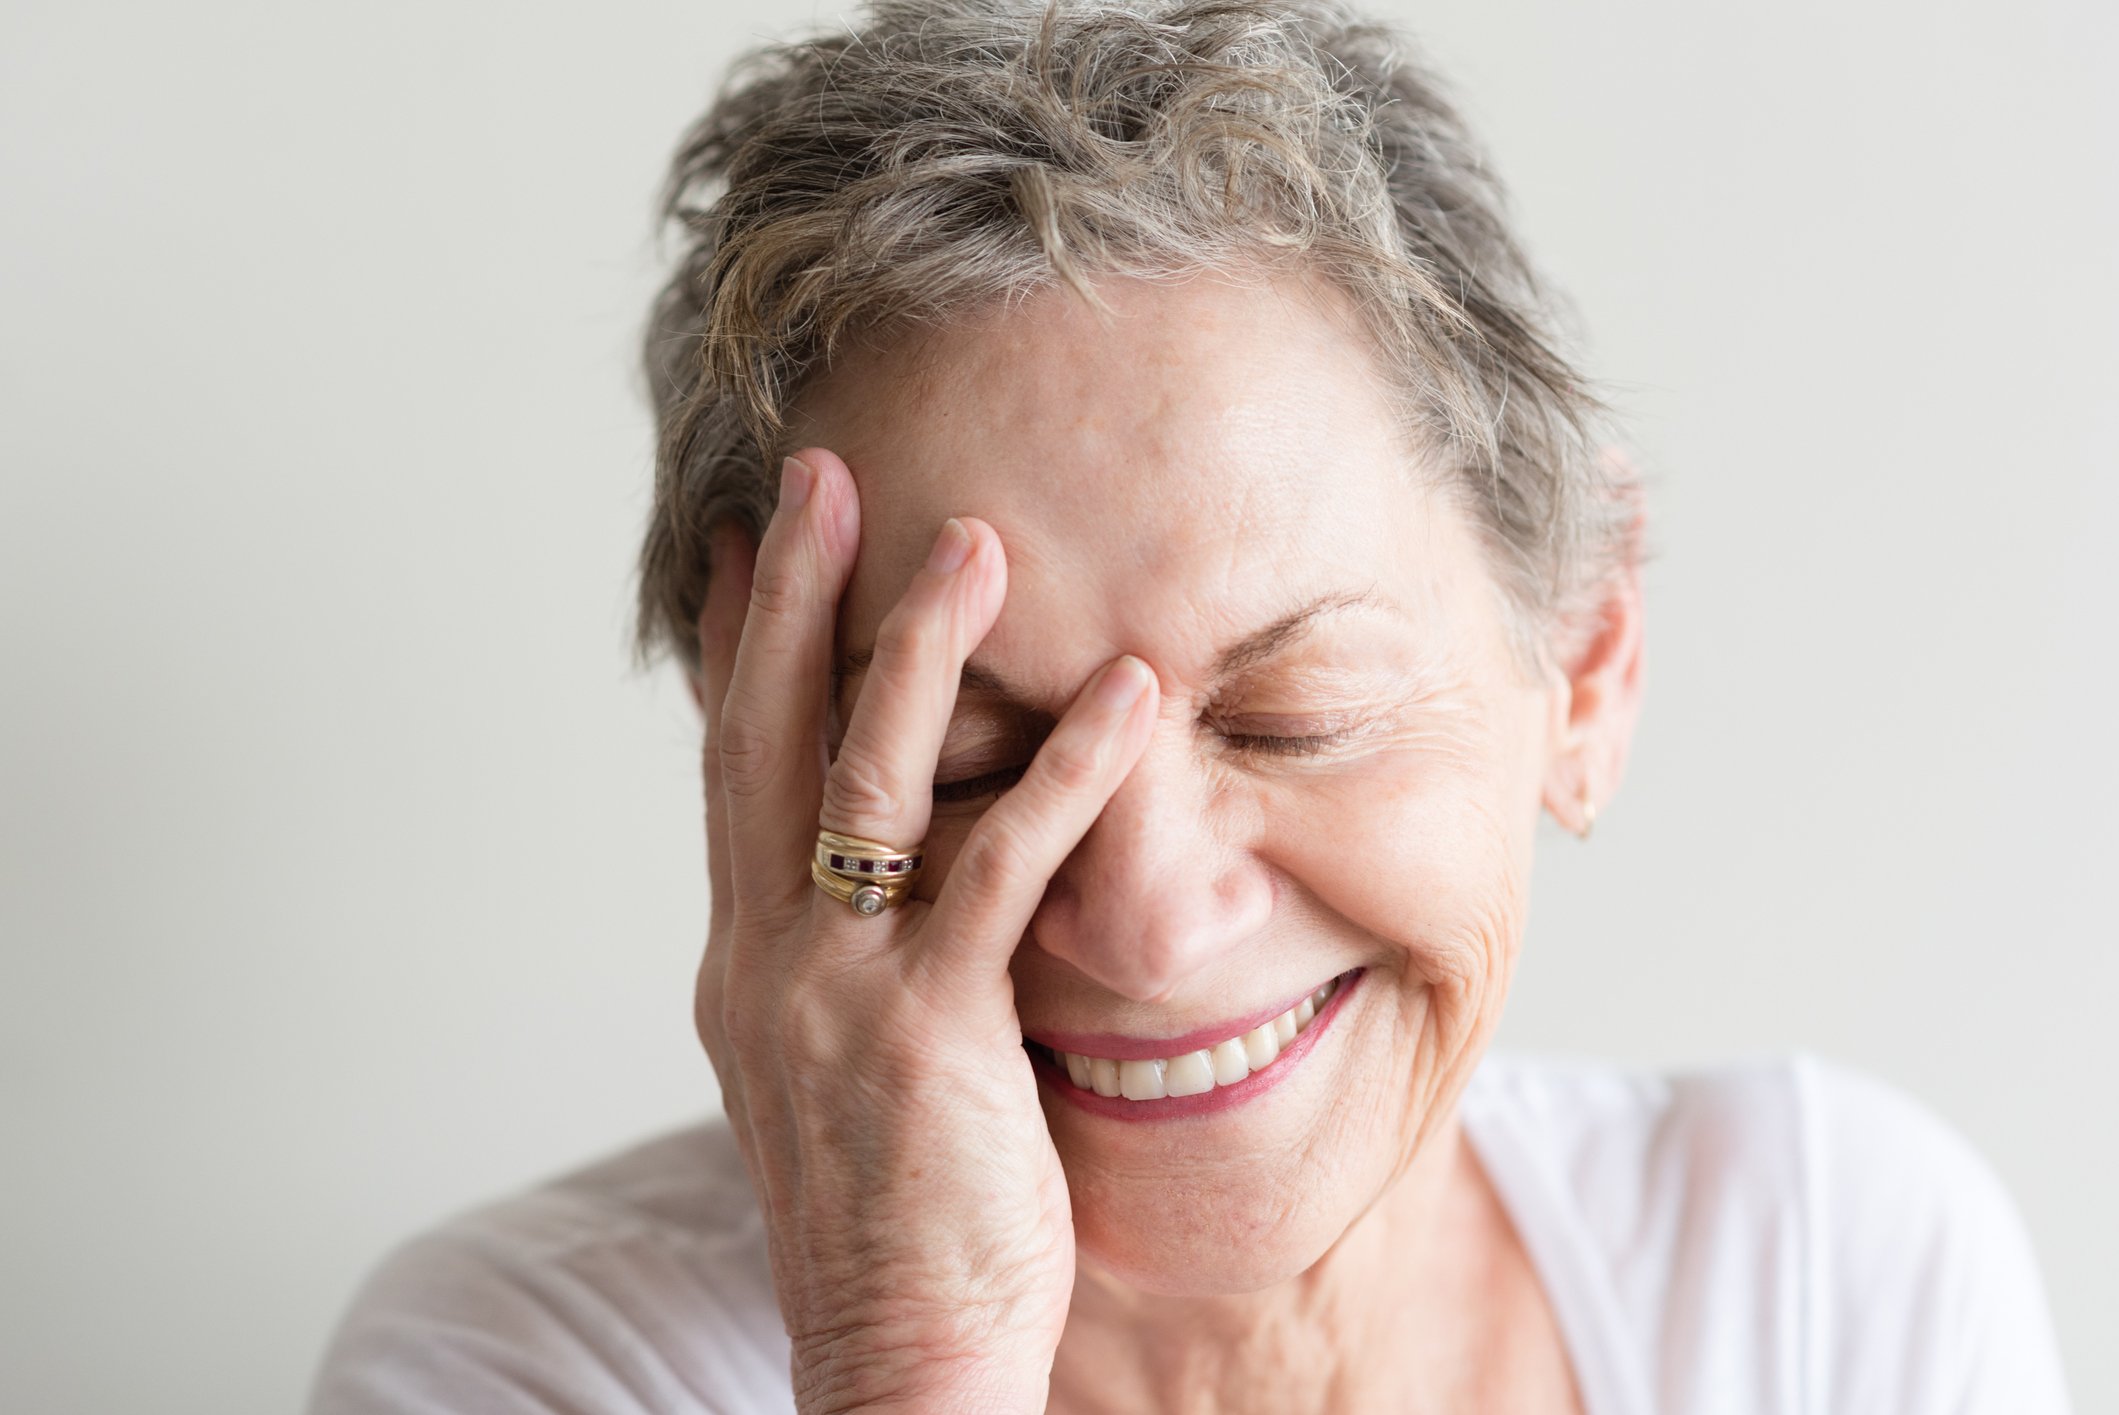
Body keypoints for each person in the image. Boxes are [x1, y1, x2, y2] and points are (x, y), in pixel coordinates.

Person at [309, 0, 2072, 1410]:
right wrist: (911, 1370)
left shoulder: (1830, 1270)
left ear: (1589, 661)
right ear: (756, 758)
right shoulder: (514, 1369)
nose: (1145, 924)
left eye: (1293, 712)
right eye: (973, 756)